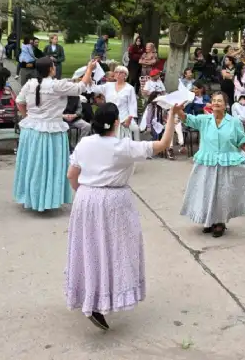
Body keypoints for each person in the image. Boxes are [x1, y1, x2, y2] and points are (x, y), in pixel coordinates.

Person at [65, 102, 179, 331]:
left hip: (86, 198)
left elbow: (72, 174)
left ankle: (89, 295)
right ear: (116, 122)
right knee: (116, 250)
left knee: (88, 248)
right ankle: (105, 299)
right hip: (114, 200)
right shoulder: (123, 146)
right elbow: (164, 144)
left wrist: (84, 192)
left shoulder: (85, 143)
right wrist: (172, 116)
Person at [175, 92, 245, 238]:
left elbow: (242, 142)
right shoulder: (205, 120)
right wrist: (178, 111)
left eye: (219, 101)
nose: (216, 103)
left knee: (222, 194)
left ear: (225, 104)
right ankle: (209, 220)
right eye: (213, 100)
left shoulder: (234, 122)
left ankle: (219, 222)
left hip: (227, 164)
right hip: (207, 163)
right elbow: (188, 119)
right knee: (207, 192)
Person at [14, 58, 96, 212]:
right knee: (49, 166)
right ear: (51, 69)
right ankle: (46, 200)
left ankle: (31, 197)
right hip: (51, 131)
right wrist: (89, 69)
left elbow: (19, 102)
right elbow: (80, 88)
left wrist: (28, 116)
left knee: (32, 165)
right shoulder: (56, 85)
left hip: (31, 130)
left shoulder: (31, 83)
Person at [87, 66, 139, 140]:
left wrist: (129, 119)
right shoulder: (108, 85)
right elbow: (94, 88)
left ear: (125, 75)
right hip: (110, 115)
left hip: (124, 115)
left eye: (121, 73)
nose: (118, 74)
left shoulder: (129, 88)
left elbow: (132, 105)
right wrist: (89, 74)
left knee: (135, 129)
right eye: (116, 72)